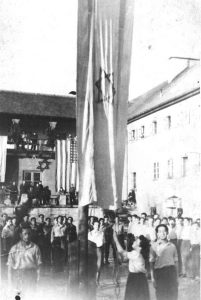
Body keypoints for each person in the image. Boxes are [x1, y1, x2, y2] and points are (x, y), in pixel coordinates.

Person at [113, 232, 150, 300]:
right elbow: (124, 259)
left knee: (132, 296)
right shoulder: (140, 254)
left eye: (136, 241)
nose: (134, 241)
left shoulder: (136, 254)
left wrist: (115, 239)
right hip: (142, 278)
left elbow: (121, 251)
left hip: (134, 278)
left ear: (139, 245)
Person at [7, 225, 42, 296]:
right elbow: (9, 268)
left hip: (31, 276)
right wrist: (10, 283)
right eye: (25, 234)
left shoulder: (35, 248)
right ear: (20, 235)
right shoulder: (14, 248)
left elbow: (39, 266)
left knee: (31, 296)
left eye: (29, 233)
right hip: (18, 277)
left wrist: (38, 279)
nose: (27, 236)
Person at [150, 224, 178, 300]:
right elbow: (151, 263)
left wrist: (177, 277)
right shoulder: (154, 246)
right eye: (160, 231)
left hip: (171, 272)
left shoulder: (172, 246)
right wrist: (153, 278)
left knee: (173, 295)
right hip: (160, 273)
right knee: (161, 295)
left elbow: (176, 262)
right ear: (157, 233)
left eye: (164, 231)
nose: (162, 233)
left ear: (167, 232)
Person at [88, 220, 104, 285]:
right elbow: (89, 242)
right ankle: (90, 280)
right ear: (93, 225)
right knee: (91, 265)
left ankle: (97, 280)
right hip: (91, 250)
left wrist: (95, 239)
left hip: (98, 249)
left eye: (98, 225)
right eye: (96, 225)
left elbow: (101, 242)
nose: (97, 226)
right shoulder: (89, 233)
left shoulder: (101, 233)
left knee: (99, 265)